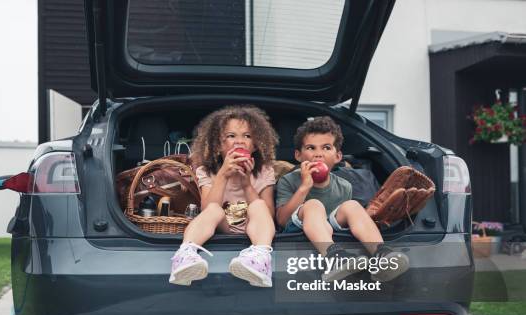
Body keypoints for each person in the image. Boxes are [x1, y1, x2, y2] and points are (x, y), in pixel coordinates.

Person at [275, 116, 409, 282]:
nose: (318, 154)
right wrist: (304, 187)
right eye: (311, 148)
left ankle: (381, 254)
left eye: (326, 148)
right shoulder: (288, 180)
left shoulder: (345, 186)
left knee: (352, 205)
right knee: (313, 205)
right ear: (298, 155)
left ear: (338, 156)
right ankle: (334, 258)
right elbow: (281, 220)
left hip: (328, 229)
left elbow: (339, 220)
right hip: (297, 229)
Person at [169, 105, 278, 287]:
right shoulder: (207, 171)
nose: (239, 142)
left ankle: (260, 257)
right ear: (219, 146)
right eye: (231, 136)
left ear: (256, 145)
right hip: (223, 227)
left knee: (259, 206)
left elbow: (269, 215)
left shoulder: (264, 172)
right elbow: (207, 208)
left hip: (255, 231)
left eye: (247, 136)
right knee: (213, 209)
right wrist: (223, 175)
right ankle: (186, 254)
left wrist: (246, 184)